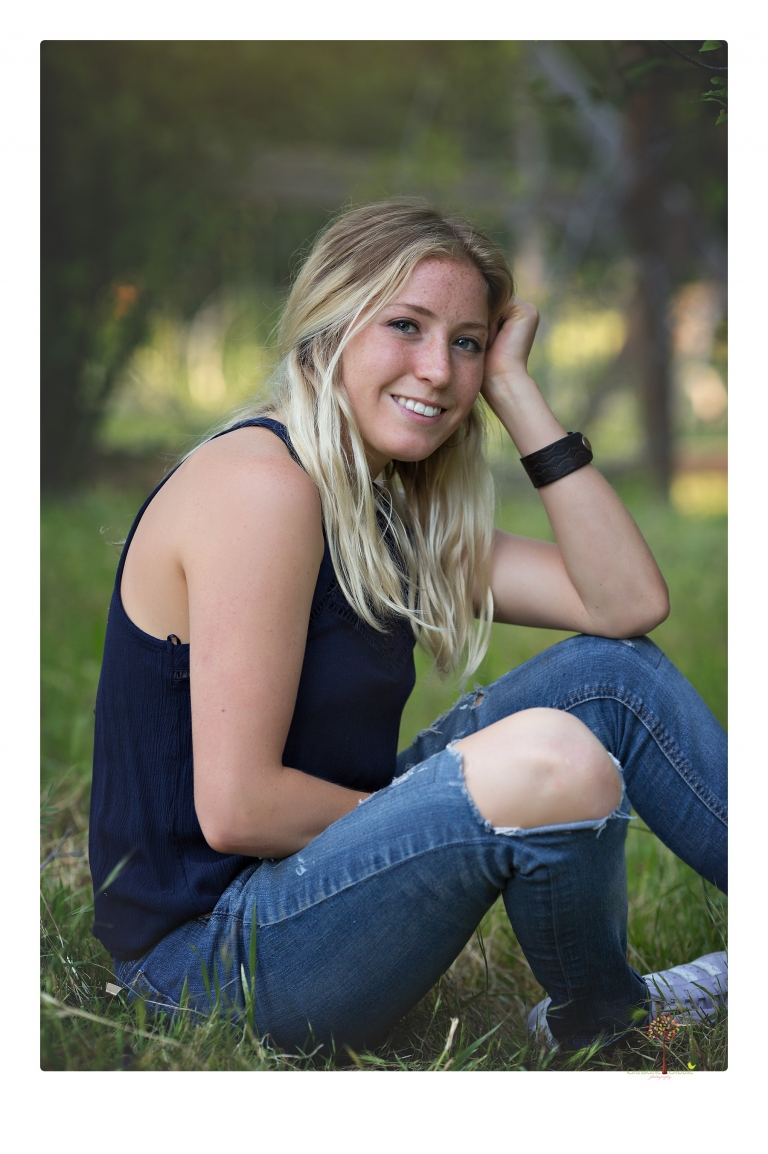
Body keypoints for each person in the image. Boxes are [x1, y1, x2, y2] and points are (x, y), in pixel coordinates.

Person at [89, 200, 727, 1055]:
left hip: (305, 894)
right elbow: (237, 810)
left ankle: (593, 1018)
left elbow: (623, 606)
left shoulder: (376, 503)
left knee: (609, 678)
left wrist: (515, 390)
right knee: (549, 758)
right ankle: (607, 1018)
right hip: (209, 965)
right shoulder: (264, 486)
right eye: (405, 325)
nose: (437, 368)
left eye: (465, 341)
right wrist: (467, 807)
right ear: (330, 327)